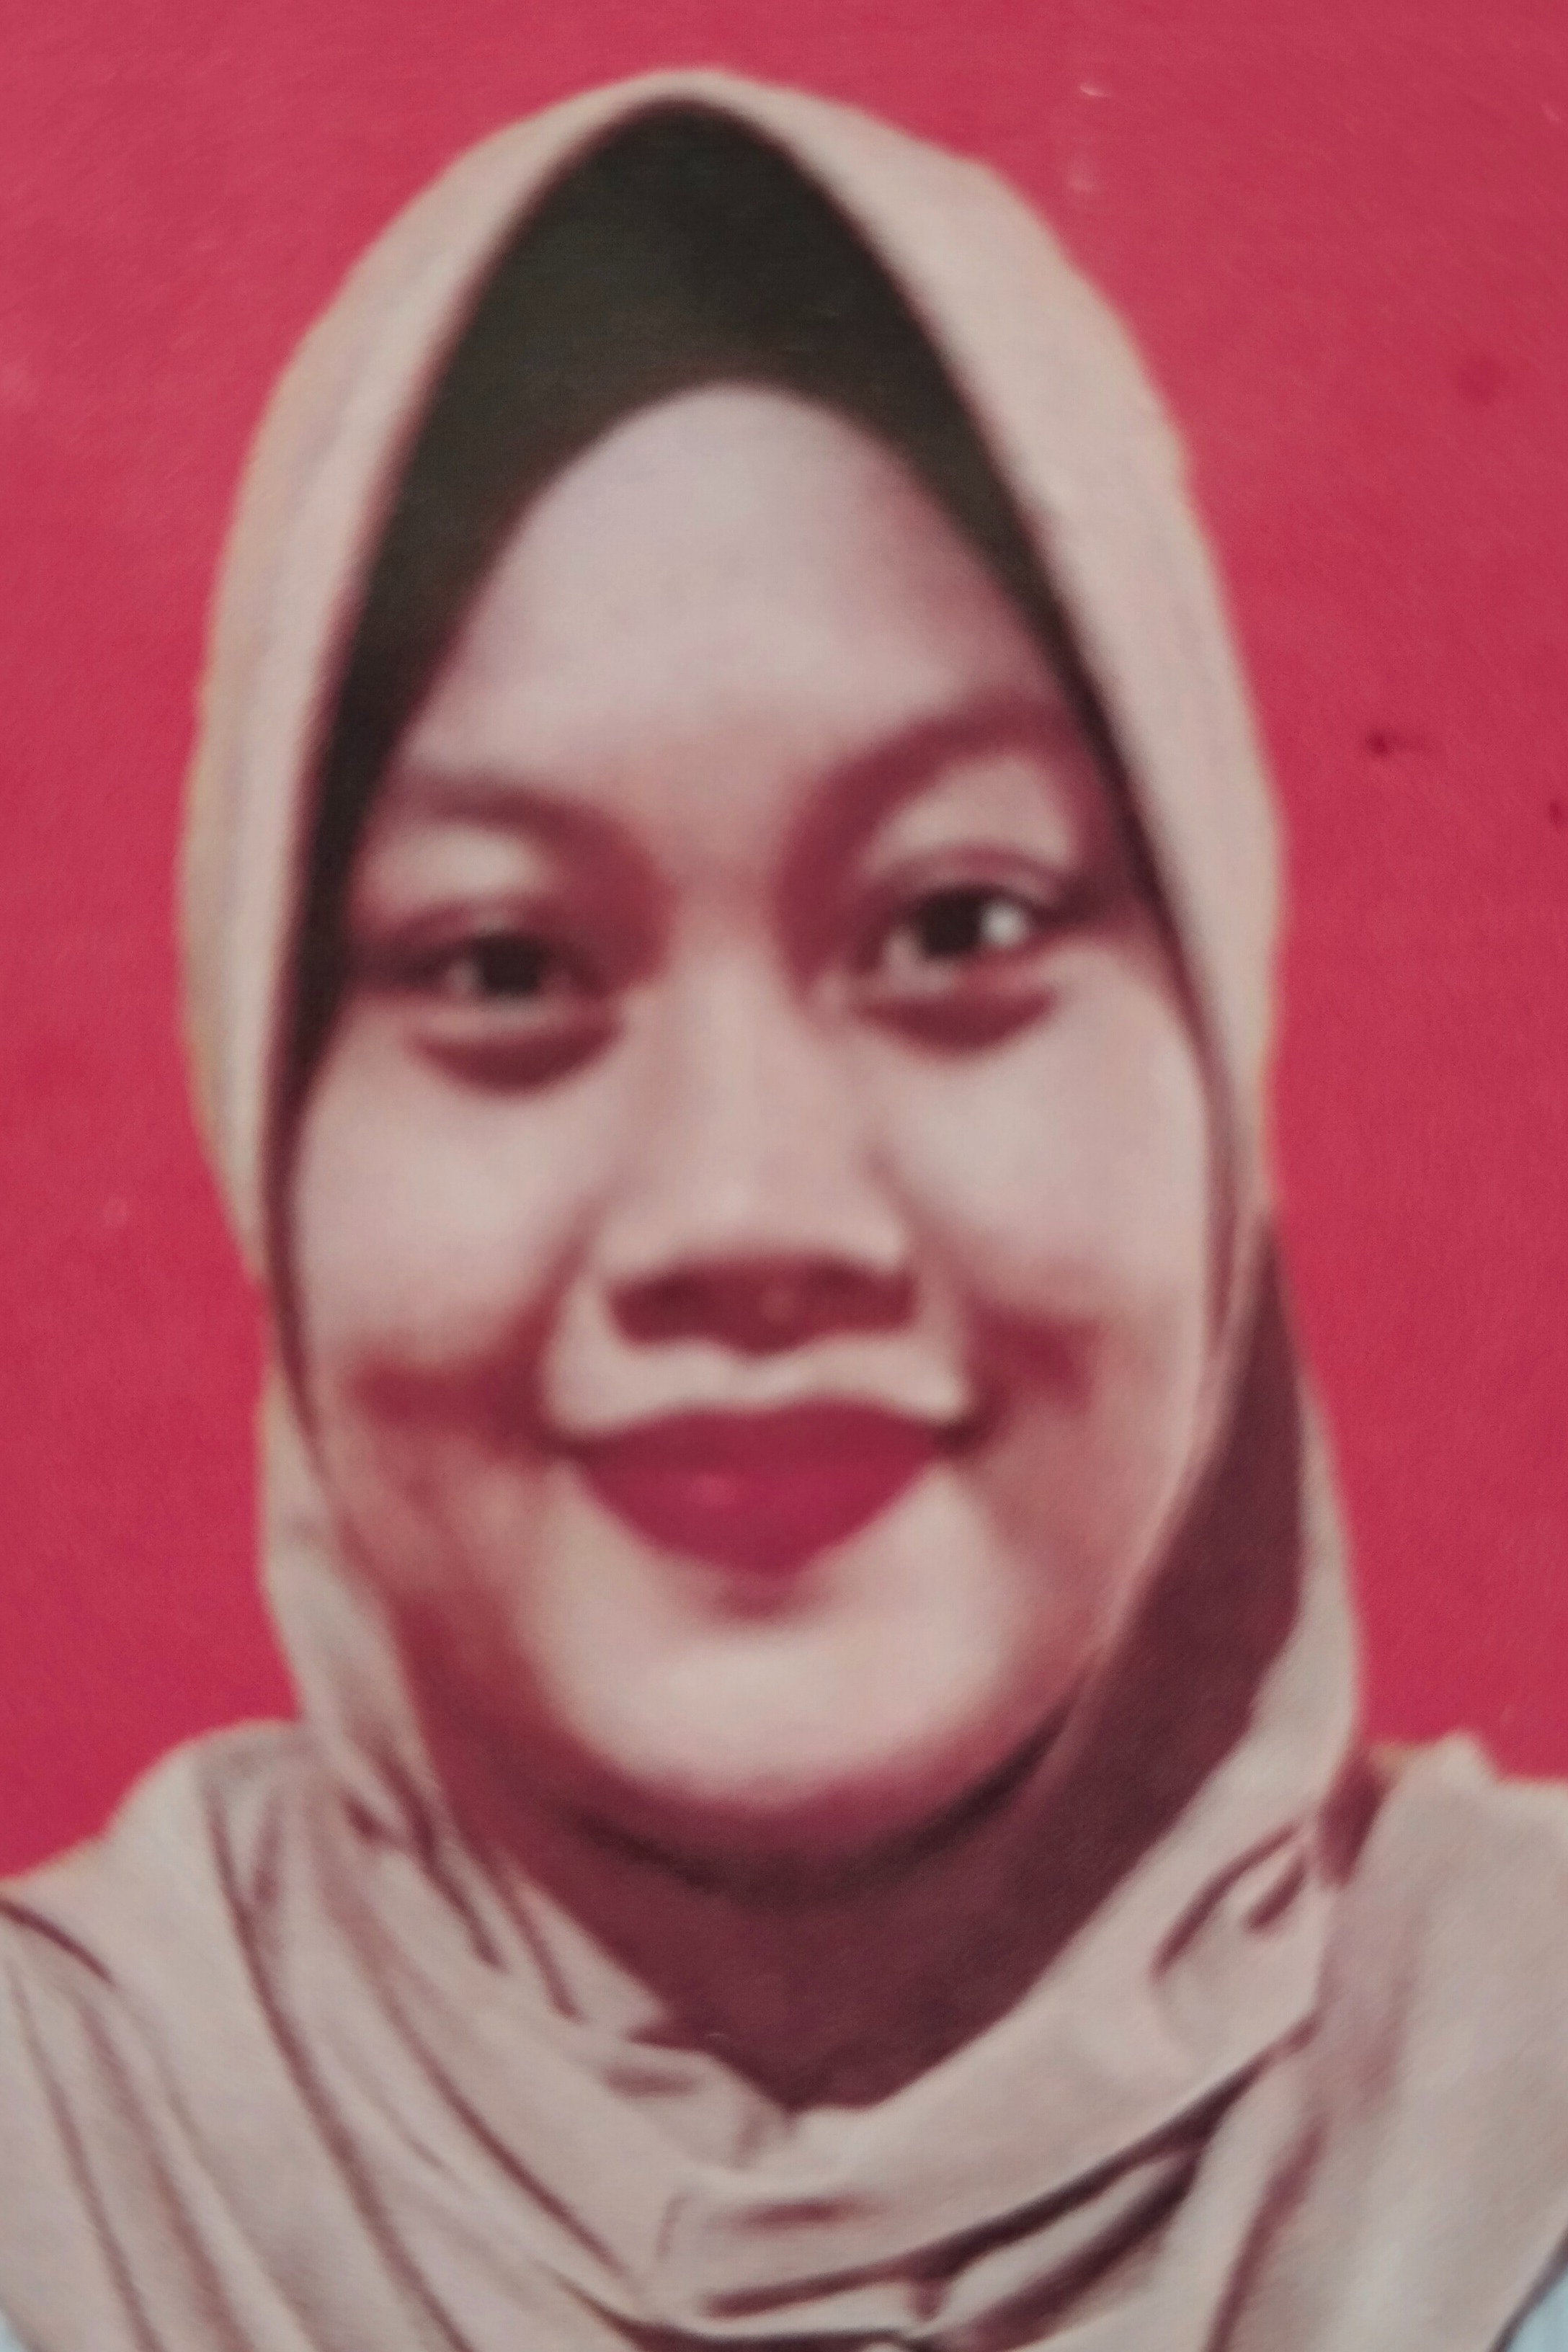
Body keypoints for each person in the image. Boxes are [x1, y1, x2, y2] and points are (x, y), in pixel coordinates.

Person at [1, 68, 1567, 2352]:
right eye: (502, 965)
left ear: (1219, 1048)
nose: (745, 1208)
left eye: (957, 923)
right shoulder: (64, 2173)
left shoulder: (1524, 2119)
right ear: (274, 1109)